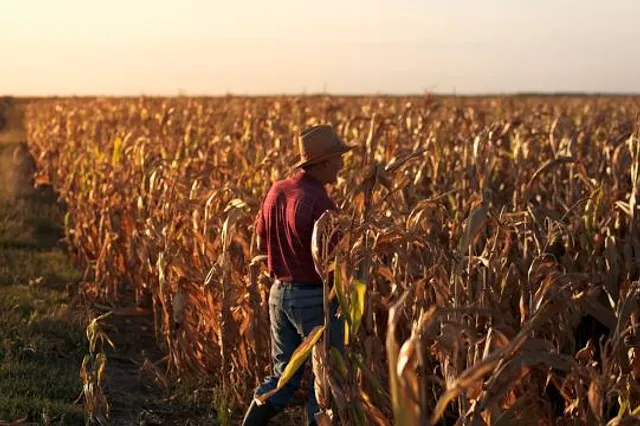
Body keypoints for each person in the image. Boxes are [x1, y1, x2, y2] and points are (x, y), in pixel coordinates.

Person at [242, 124, 356, 426]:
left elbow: (260, 241)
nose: (342, 163)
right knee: (326, 385)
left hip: (279, 295)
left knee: (282, 380)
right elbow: (335, 260)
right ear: (323, 163)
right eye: (338, 158)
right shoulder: (320, 202)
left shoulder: (277, 190)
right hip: (313, 300)